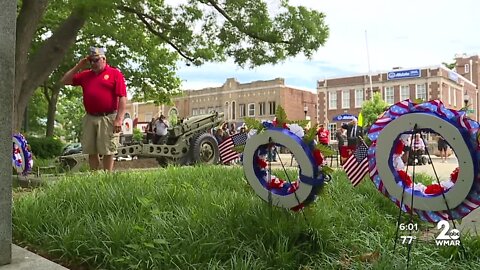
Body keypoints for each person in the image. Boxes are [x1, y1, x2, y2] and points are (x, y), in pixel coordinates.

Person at [61, 46, 127, 171]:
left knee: (108, 149)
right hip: (90, 117)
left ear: (103, 59)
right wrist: (79, 66)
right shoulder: (86, 75)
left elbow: (123, 97)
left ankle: (107, 177)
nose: (93, 63)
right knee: (91, 150)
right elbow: (65, 80)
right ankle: (94, 176)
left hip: (107, 117)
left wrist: (119, 119)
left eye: (96, 60)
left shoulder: (114, 74)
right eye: (91, 61)